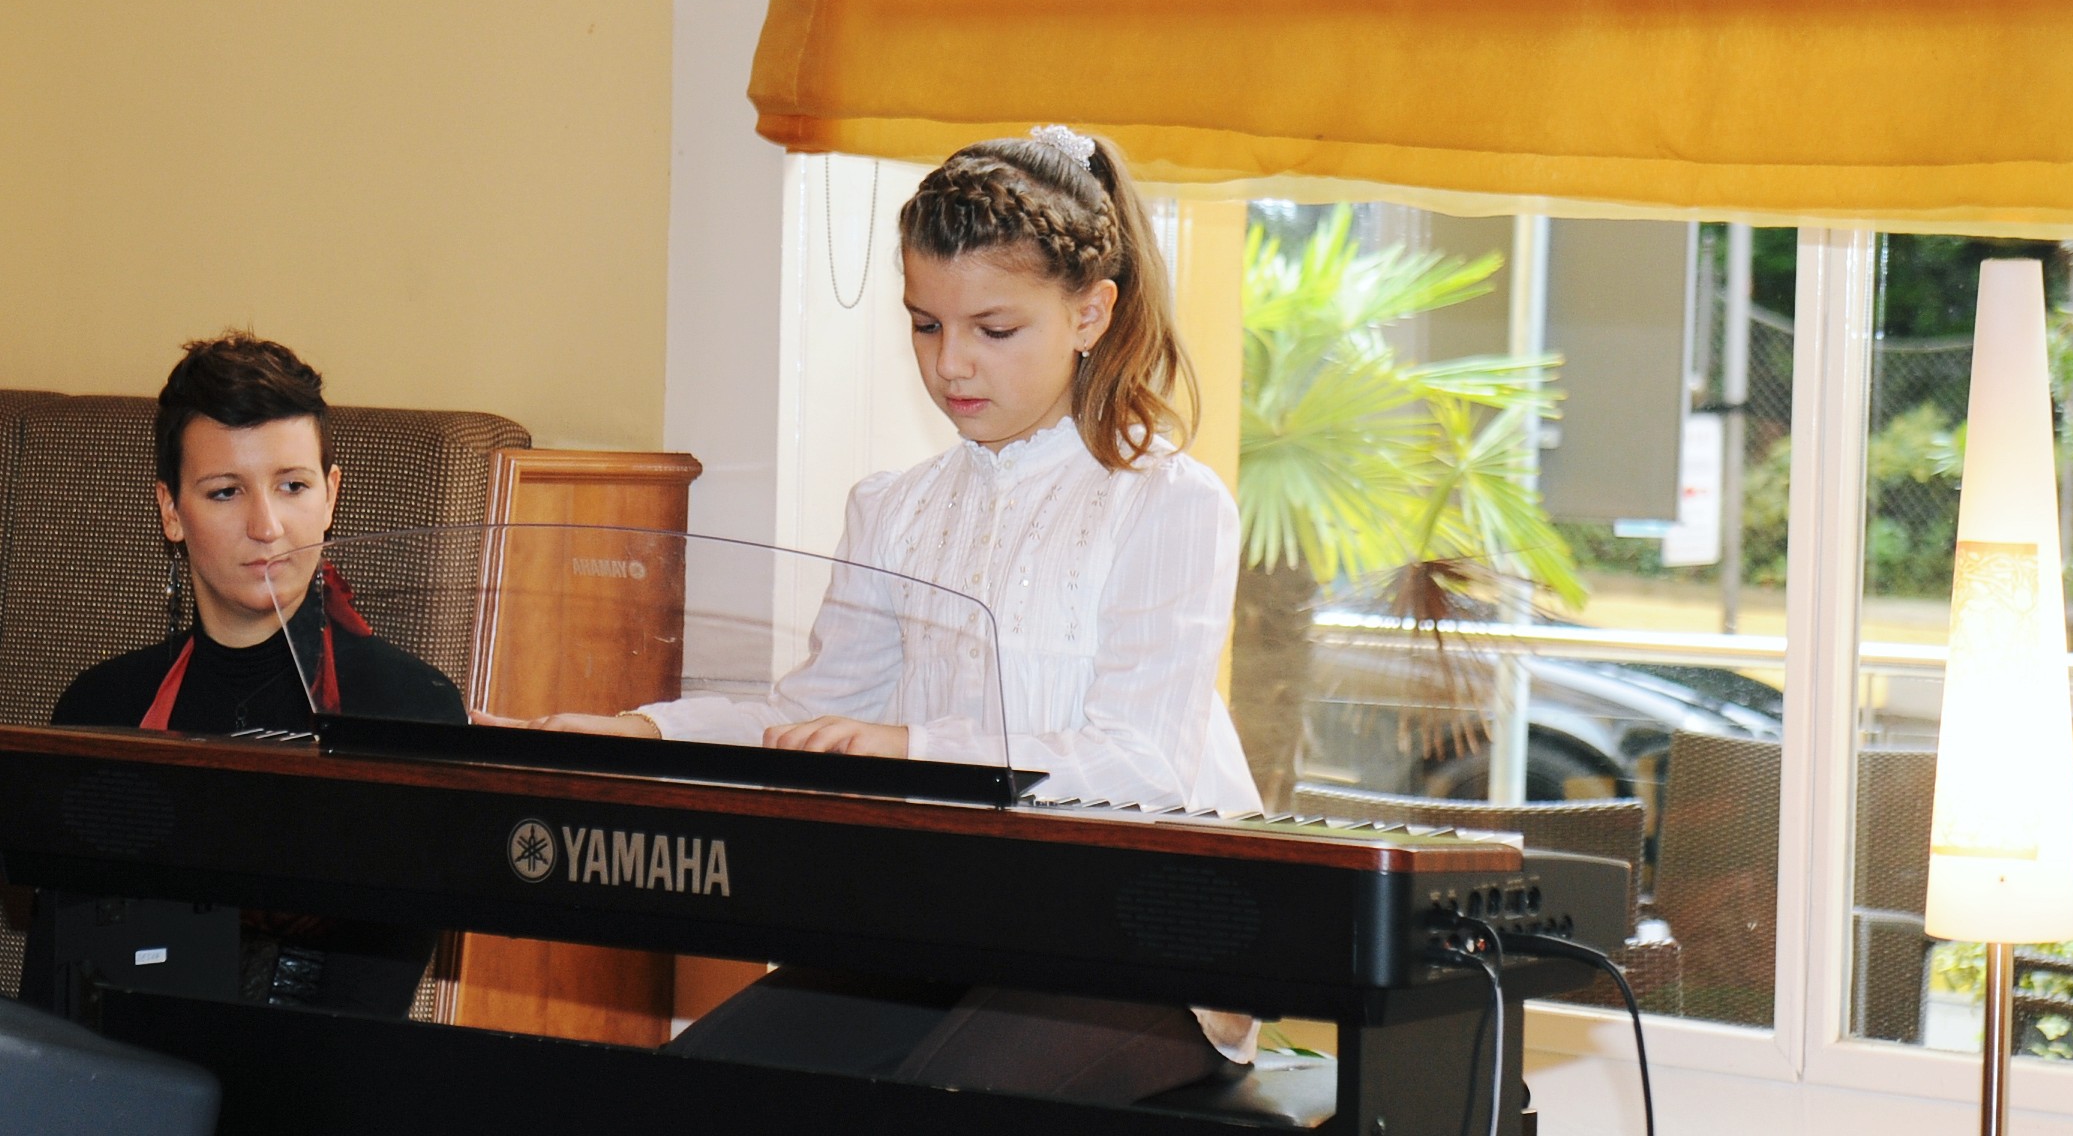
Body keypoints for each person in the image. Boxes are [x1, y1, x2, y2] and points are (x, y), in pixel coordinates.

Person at [502, 126, 1262, 1102]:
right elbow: (813, 719)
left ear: (1090, 312)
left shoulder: (1168, 502)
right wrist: (642, 734)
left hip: (1139, 933)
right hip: (947, 914)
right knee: (681, 1093)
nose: (951, 365)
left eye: (993, 330)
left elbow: (1140, 767)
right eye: (924, 324)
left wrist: (909, 746)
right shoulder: (893, 508)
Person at [42, 333, 464, 1016]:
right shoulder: (99, 710)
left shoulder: (409, 711)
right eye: (225, 492)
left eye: (292, 486)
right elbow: (55, 1003)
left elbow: (364, 1021)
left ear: (331, 496)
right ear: (171, 511)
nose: (267, 526)